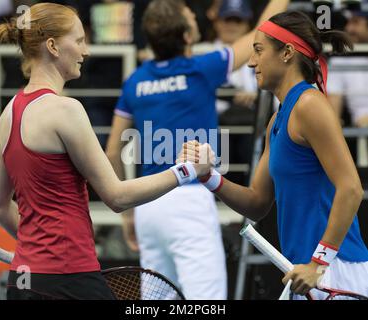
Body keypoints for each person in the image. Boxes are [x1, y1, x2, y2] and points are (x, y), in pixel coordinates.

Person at [0, 3, 213, 300]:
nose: (87, 51)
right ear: (53, 46)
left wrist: (35, 250)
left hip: (24, 281)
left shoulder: (7, 114)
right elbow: (117, 197)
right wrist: (187, 170)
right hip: (69, 278)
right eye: (79, 40)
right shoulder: (65, 110)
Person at [106, 0, 290, 299]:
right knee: (206, 302)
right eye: (190, 15)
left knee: (157, 302)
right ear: (188, 37)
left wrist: (128, 213)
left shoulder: (134, 82)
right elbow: (258, 33)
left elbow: (113, 152)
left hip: (147, 203)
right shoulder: (202, 68)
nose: (194, 13)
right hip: (190, 197)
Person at [180, 10, 368, 299]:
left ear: (287, 53)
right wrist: (209, 176)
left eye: (258, 50)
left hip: (335, 273)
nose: (251, 62)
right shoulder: (277, 120)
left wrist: (319, 262)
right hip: (306, 273)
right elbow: (257, 203)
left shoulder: (310, 105)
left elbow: (351, 188)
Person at [328, 10, 368, 128]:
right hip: (363, 130)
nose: (348, 28)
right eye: (348, 22)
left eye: (355, 23)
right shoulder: (339, 62)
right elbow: (333, 114)